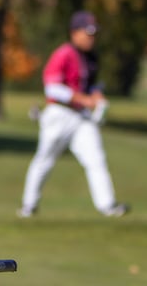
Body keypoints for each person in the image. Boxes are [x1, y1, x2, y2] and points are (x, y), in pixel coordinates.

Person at [18, 11, 128, 218]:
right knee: (45, 159)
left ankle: (107, 205)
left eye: (93, 34)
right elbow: (52, 88)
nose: (91, 38)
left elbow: (92, 85)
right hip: (59, 114)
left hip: (80, 117)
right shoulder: (64, 53)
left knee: (96, 159)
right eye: (87, 33)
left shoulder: (91, 56)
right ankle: (29, 205)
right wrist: (84, 99)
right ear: (74, 33)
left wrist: (96, 97)